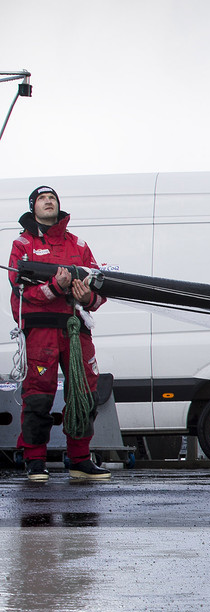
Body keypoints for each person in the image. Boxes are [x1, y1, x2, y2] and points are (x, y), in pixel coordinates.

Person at [7, 186, 111, 482]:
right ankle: (35, 461)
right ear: (33, 207)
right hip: (41, 333)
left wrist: (86, 296)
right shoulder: (22, 244)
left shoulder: (78, 244)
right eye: (42, 198)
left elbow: (100, 287)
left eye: (52, 197)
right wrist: (54, 287)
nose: (48, 201)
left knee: (85, 392)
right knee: (38, 396)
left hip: (76, 330)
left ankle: (79, 460)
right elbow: (19, 290)